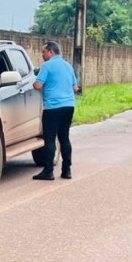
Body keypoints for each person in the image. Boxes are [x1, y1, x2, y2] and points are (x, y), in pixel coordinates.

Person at [32, 41, 80, 181]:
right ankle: (66, 170)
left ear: (51, 52)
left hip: (53, 107)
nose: (42, 55)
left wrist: (34, 81)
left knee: (50, 139)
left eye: (43, 52)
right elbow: (75, 88)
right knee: (64, 137)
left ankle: (48, 171)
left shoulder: (47, 66)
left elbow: (38, 85)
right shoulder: (68, 66)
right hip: (69, 106)